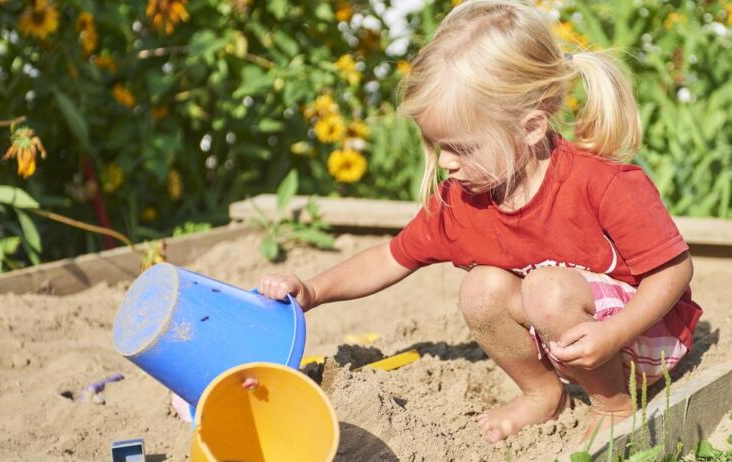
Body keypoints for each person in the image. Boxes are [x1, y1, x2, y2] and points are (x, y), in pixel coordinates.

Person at [258, 0, 702, 444]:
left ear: (530, 127)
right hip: (571, 335)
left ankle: (613, 406)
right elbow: (389, 258)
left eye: (461, 147)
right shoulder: (463, 201)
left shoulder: (601, 182)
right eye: (436, 146)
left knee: (546, 287)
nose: (446, 163)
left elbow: (673, 270)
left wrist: (614, 333)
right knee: (481, 288)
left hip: (645, 339)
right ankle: (543, 394)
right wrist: (313, 291)